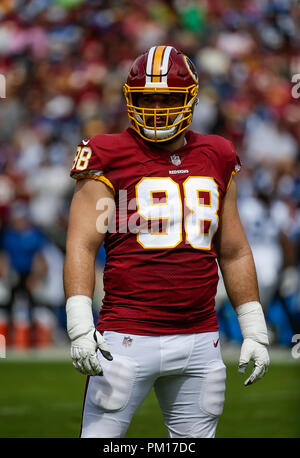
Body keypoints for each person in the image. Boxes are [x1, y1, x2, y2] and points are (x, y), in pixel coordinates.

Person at [63, 46, 270, 438]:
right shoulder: (107, 153)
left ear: (189, 99)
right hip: (126, 337)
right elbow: (81, 245)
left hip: (201, 337)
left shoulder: (218, 153)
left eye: (168, 98)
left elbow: (234, 249)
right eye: (147, 98)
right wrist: (78, 326)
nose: (157, 108)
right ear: (130, 99)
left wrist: (254, 329)